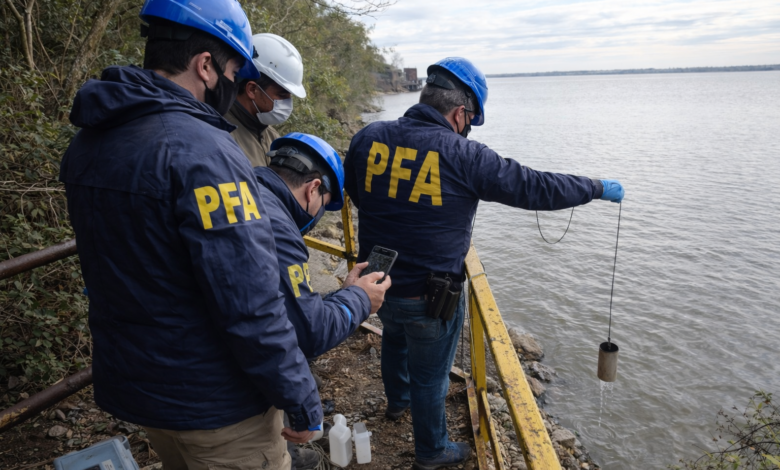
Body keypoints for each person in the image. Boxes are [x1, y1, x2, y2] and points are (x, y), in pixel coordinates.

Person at [59, 1, 322, 469]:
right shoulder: (203, 151)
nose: (236, 81)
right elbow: (250, 301)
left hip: (145, 391)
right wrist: (299, 395)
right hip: (217, 405)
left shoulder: (91, 141)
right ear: (205, 66)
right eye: (233, 69)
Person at [343, 57, 625, 470]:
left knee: (394, 338)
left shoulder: (369, 137)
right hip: (430, 295)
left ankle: (396, 404)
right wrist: (596, 188)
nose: (469, 128)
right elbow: (535, 187)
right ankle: (431, 451)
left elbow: (356, 191)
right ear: (461, 112)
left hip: (374, 285)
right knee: (431, 375)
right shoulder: (464, 155)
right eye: (471, 121)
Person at [255, 132, 392, 469]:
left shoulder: (247, 194)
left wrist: (346, 292)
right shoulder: (278, 226)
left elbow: (284, 306)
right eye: (323, 204)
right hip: (221, 410)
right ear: (313, 188)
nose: (316, 215)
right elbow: (309, 332)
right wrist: (360, 299)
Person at [225, 33, 306, 167]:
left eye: (290, 96)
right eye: (282, 95)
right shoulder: (223, 133)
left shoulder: (272, 137)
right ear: (252, 89)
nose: (288, 103)